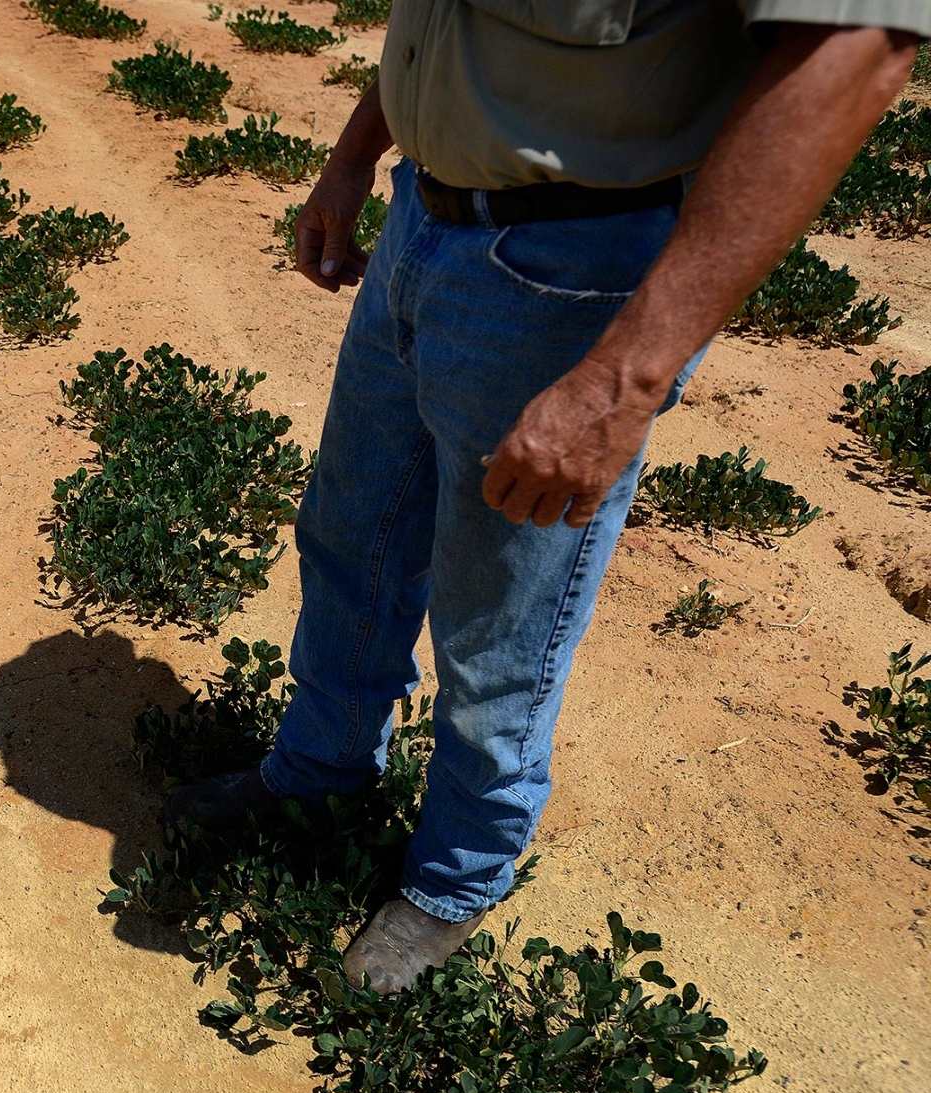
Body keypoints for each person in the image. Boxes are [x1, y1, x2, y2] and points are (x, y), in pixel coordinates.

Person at [166, 2, 929, 994]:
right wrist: (358, 154)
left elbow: (856, 50)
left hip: (570, 267)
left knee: (498, 620)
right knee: (354, 532)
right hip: (419, 221)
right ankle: (319, 772)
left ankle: (455, 877)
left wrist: (624, 380)